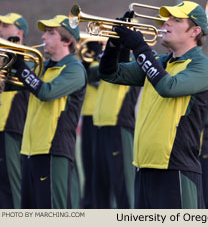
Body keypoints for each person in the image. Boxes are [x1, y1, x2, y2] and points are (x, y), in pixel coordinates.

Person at [99, 1, 208, 209]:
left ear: (195, 31)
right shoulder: (161, 61)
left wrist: (139, 46)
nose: (167, 23)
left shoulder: (203, 66)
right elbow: (110, 74)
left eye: (176, 20)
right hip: (144, 167)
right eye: (168, 19)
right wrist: (114, 43)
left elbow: (168, 87)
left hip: (176, 168)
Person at [7, 15, 86, 209]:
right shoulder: (43, 67)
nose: (43, 38)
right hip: (29, 151)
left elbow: (45, 92)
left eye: (51, 33)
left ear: (67, 41)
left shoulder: (74, 70)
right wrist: (11, 64)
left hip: (53, 152)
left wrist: (21, 66)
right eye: (45, 33)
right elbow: (15, 86)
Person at [88, 38, 141, 209]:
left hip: (120, 128)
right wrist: (91, 56)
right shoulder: (108, 64)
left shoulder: (133, 65)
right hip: (100, 126)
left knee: (123, 188)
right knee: (99, 187)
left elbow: (122, 62)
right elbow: (90, 75)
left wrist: (120, 46)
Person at [0, 13, 29, 209]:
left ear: (18, 32)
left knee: (13, 185)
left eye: (5, 25)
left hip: (13, 127)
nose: (0, 28)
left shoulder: (29, 58)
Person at [78, 41, 102, 208]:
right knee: (87, 163)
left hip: (100, 119)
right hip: (87, 116)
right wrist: (85, 63)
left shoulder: (108, 61)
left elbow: (98, 79)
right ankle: (87, 203)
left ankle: (97, 204)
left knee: (98, 167)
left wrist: (98, 57)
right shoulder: (88, 59)